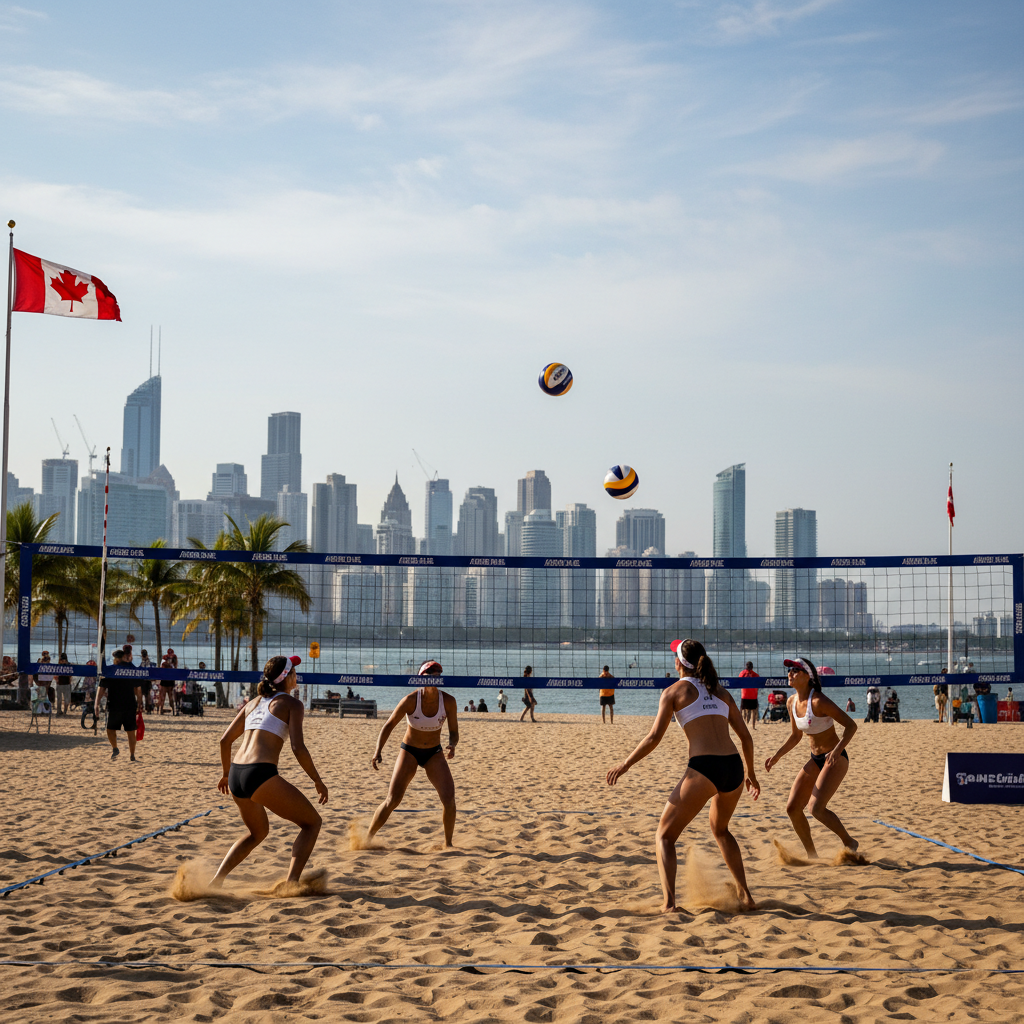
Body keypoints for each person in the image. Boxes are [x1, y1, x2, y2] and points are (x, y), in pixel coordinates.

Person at [606, 638, 760, 913]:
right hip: (734, 767)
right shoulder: (721, 692)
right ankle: (745, 895)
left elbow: (654, 738)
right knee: (721, 829)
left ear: (678, 663)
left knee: (664, 836)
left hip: (706, 767)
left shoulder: (674, 692)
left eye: (674, 656)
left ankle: (669, 904)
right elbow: (746, 737)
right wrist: (751, 773)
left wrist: (625, 765)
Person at [211, 655, 327, 888]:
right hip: (259, 773)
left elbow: (225, 741)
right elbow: (298, 748)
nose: (297, 676)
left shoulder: (253, 702)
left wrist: (225, 774)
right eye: (295, 671)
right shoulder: (293, 704)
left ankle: (216, 881)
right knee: (312, 823)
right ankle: (291, 883)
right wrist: (317, 780)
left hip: (236, 775)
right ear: (288, 677)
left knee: (258, 833)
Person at [765, 657, 859, 858]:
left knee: (816, 809)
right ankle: (812, 855)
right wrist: (776, 757)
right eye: (789, 670)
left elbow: (851, 726)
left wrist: (836, 750)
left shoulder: (818, 701)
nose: (790, 673)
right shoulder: (791, 701)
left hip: (835, 757)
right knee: (792, 808)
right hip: (816, 759)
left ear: (808, 676)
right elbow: (796, 736)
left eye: (795, 670)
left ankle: (849, 841)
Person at [368, 660, 459, 847]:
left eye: (437, 675)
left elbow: (454, 731)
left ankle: (448, 844)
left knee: (449, 798)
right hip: (410, 751)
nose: (434, 678)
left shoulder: (448, 701)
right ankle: (367, 838)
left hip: (434, 752)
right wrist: (378, 751)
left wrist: (452, 744)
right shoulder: (411, 700)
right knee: (392, 800)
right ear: (420, 678)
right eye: (430, 675)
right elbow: (389, 725)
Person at [95, 650, 143, 761]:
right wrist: (140, 703)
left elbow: (101, 688)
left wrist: (96, 703)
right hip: (125, 705)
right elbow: (138, 689)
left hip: (119, 705)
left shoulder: (113, 670)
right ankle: (128, 753)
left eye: (114, 659)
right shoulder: (129, 670)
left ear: (117, 659)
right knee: (127, 731)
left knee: (115, 730)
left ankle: (122, 751)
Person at [738, 662, 759, 729]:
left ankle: (740, 724)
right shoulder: (755, 675)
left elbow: (739, 682)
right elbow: (759, 684)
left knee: (742, 709)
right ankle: (753, 726)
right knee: (754, 710)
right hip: (753, 696)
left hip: (745, 695)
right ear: (752, 667)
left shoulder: (742, 673)